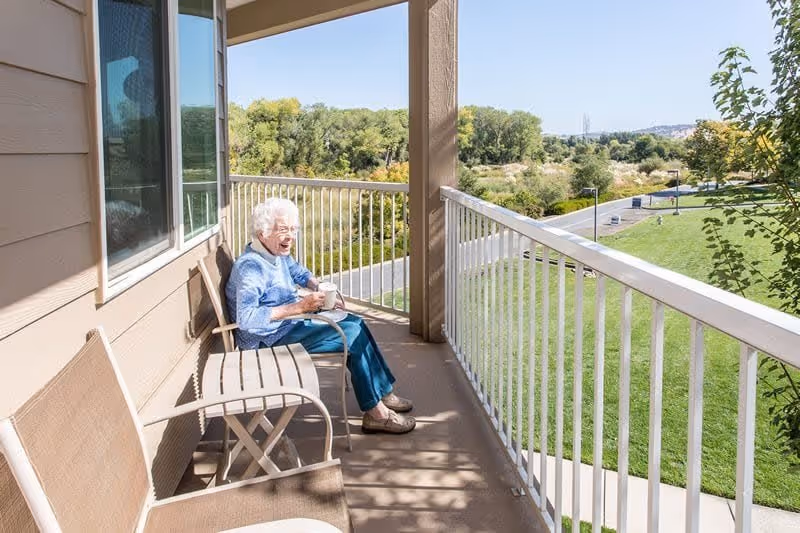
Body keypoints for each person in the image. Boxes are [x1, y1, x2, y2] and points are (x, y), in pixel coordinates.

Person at [226, 198, 416, 434]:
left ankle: (383, 392)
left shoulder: (274, 253)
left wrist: (317, 286)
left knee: (356, 322)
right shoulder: (252, 267)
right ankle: (376, 413)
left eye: (293, 229)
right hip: (268, 339)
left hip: (287, 325)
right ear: (262, 232)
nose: (291, 237)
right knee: (352, 335)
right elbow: (246, 318)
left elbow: (297, 271)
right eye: (283, 230)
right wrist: (300, 307)